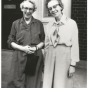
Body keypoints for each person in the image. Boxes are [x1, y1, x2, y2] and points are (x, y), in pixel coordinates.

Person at [7, 0, 45, 88]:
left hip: (34, 56)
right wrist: (22, 48)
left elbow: (43, 40)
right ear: (21, 8)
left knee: (32, 82)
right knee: (17, 80)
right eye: (25, 8)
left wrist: (35, 48)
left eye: (30, 9)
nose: (28, 11)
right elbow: (10, 41)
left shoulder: (39, 24)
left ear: (34, 10)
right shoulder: (15, 24)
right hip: (19, 55)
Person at [43, 0, 80, 88]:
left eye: (55, 6)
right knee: (48, 82)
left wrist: (72, 64)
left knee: (62, 83)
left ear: (61, 6)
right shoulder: (49, 25)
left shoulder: (71, 23)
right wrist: (45, 61)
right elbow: (47, 45)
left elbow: (75, 45)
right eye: (50, 8)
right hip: (50, 57)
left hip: (64, 56)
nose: (53, 10)